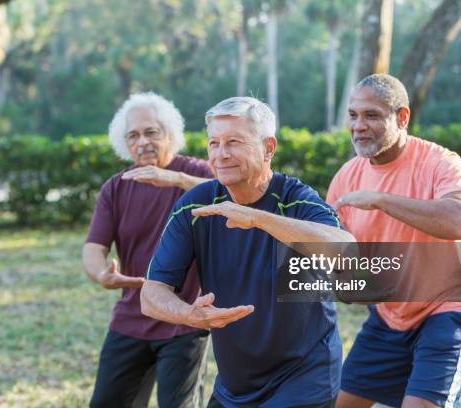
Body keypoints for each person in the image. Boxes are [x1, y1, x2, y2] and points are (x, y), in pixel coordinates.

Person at [140, 96, 355, 408]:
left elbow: (348, 252)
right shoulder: (196, 205)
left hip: (305, 377)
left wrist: (257, 218)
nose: (221, 154)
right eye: (214, 143)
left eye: (234, 142)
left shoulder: (296, 199)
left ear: (268, 148)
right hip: (235, 385)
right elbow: (150, 295)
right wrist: (189, 314)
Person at [326, 74, 461, 408]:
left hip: (452, 307)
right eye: (354, 115)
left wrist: (381, 200)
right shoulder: (346, 177)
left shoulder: (440, 162)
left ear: (402, 118)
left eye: (372, 115)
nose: (358, 125)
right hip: (391, 315)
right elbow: (336, 255)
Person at [83, 92, 213, 408]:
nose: (142, 142)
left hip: (185, 317)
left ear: (170, 134)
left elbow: (229, 193)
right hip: (132, 315)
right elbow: (93, 247)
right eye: (133, 135)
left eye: (151, 132)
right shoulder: (117, 187)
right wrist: (102, 274)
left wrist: (175, 179)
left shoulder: (198, 174)